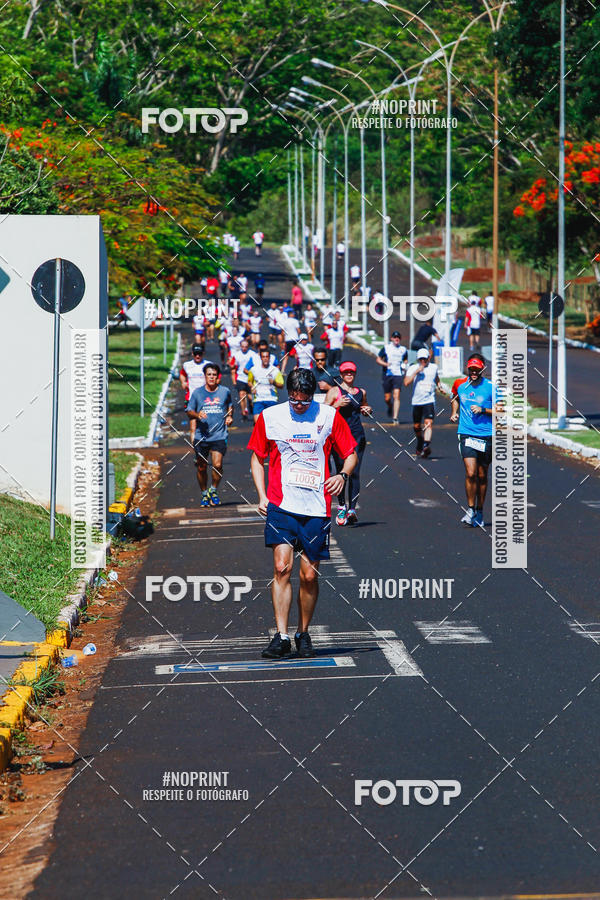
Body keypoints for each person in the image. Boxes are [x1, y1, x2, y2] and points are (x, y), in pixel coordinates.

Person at [248, 368, 358, 659]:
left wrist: (343, 476)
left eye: (304, 401)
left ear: (312, 396)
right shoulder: (270, 417)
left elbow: (350, 454)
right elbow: (257, 457)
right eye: (295, 400)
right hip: (282, 505)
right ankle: (281, 636)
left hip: (316, 508)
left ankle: (303, 632)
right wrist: (261, 495)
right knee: (282, 567)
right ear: (288, 395)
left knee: (309, 575)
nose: (299, 405)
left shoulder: (328, 416)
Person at [450, 353, 494, 528]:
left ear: (483, 368)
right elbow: (454, 397)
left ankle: (480, 511)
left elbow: (501, 410)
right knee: (470, 473)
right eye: (471, 369)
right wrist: (454, 412)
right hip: (467, 433)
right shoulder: (460, 384)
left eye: (477, 369)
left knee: (482, 476)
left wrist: (483, 409)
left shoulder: (491, 387)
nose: (474, 372)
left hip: (486, 435)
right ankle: (470, 509)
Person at [326, 360, 371, 526]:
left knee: (355, 472)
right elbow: (323, 412)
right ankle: (342, 506)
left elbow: (364, 408)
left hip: (357, 435)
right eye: (346, 372)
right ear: (341, 374)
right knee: (341, 472)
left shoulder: (361, 392)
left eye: (351, 372)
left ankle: (352, 509)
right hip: (339, 437)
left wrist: (368, 410)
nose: (349, 374)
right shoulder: (334, 391)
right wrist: (336, 405)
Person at [187, 364, 233, 508]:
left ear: (217, 376)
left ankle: (213, 490)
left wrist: (229, 416)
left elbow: (230, 405)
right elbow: (189, 411)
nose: (211, 377)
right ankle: (204, 493)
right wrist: (197, 414)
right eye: (209, 374)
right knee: (201, 467)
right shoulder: (197, 393)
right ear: (205, 376)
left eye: (214, 374)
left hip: (219, 435)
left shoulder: (225, 391)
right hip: (202, 436)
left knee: (217, 465)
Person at [404, 347, 447, 458]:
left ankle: (426, 446)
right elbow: (406, 383)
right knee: (417, 426)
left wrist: (439, 387)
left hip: (429, 400)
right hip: (417, 401)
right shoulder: (413, 368)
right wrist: (416, 372)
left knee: (429, 423)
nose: (423, 361)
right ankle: (420, 441)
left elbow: (436, 378)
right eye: (421, 359)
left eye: (425, 359)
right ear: (418, 359)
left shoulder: (433, 367)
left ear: (428, 358)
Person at [245, 347, 285, 422]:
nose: (265, 359)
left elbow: (281, 385)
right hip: (258, 399)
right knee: (257, 423)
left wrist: (274, 382)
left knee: (272, 424)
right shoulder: (254, 369)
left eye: (267, 357)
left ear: (269, 358)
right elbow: (249, 381)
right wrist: (252, 387)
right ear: (261, 358)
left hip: (271, 399)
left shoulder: (275, 370)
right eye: (263, 357)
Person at [377, 331, 408, 423]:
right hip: (387, 374)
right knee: (387, 398)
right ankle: (390, 406)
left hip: (398, 374)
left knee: (396, 396)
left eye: (398, 337)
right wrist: (385, 364)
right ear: (391, 338)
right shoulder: (386, 348)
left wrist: (404, 364)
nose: (396, 339)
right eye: (395, 337)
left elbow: (405, 359)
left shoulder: (403, 349)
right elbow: (378, 359)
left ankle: (395, 417)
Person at [230, 337, 255, 420]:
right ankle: (244, 412)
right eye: (242, 346)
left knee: (251, 397)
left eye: (246, 347)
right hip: (240, 378)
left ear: (248, 346)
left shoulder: (253, 354)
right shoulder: (236, 355)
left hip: (250, 378)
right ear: (240, 346)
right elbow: (232, 366)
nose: (244, 348)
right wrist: (234, 380)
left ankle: (250, 406)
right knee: (242, 396)